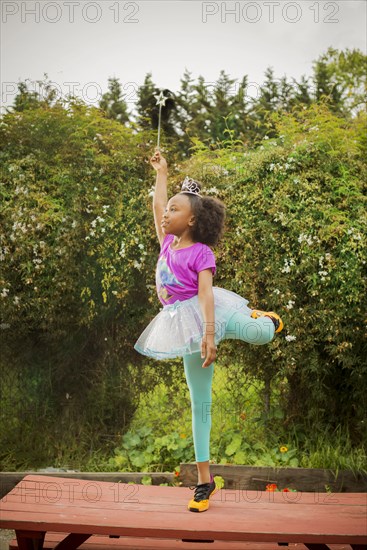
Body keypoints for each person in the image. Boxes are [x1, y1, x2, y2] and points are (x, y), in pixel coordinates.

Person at [134, 149, 283, 513]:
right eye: (167, 209)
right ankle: (204, 481)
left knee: (260, 334)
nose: (166, 213)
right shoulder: (167, 243)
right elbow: (155, 206)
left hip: (213, 314)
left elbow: (204, 295)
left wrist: (211, 334)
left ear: (192, 220)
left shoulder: (201, 253)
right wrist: (162, 173)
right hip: (181, 324)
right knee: (199, 403)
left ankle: (262, 318)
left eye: (174, 210)